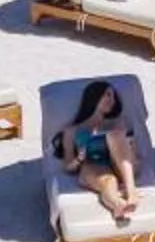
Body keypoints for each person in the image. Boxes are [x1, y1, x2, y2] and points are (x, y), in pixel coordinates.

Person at [61, 80, 144, 226]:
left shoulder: (118, 122)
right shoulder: (72, 131)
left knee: (115, 135)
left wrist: (131, 146)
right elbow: (68, 166)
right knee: (109, 181)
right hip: (93, 166)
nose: (111, 100)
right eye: (107, 95)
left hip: (123, 166)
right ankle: (118, 205)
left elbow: (132, 149)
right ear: (94, 97)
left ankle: (131, 192)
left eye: (113, 96)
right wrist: (80, 158)